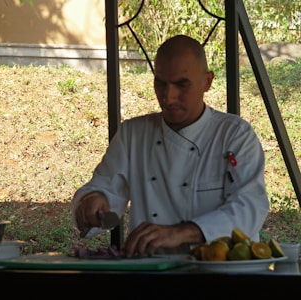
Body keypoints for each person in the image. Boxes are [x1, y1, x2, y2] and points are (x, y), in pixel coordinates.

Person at [71, 34, 270, 258]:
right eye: (161, 83)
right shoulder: (133, 134)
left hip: (221, 272)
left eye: (181, 84)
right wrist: (93, 202)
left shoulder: (234, 135)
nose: (168, 96)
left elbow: (250, 206)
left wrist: (182, 232)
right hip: (152, 271)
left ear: (208, 81)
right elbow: (104, 189)